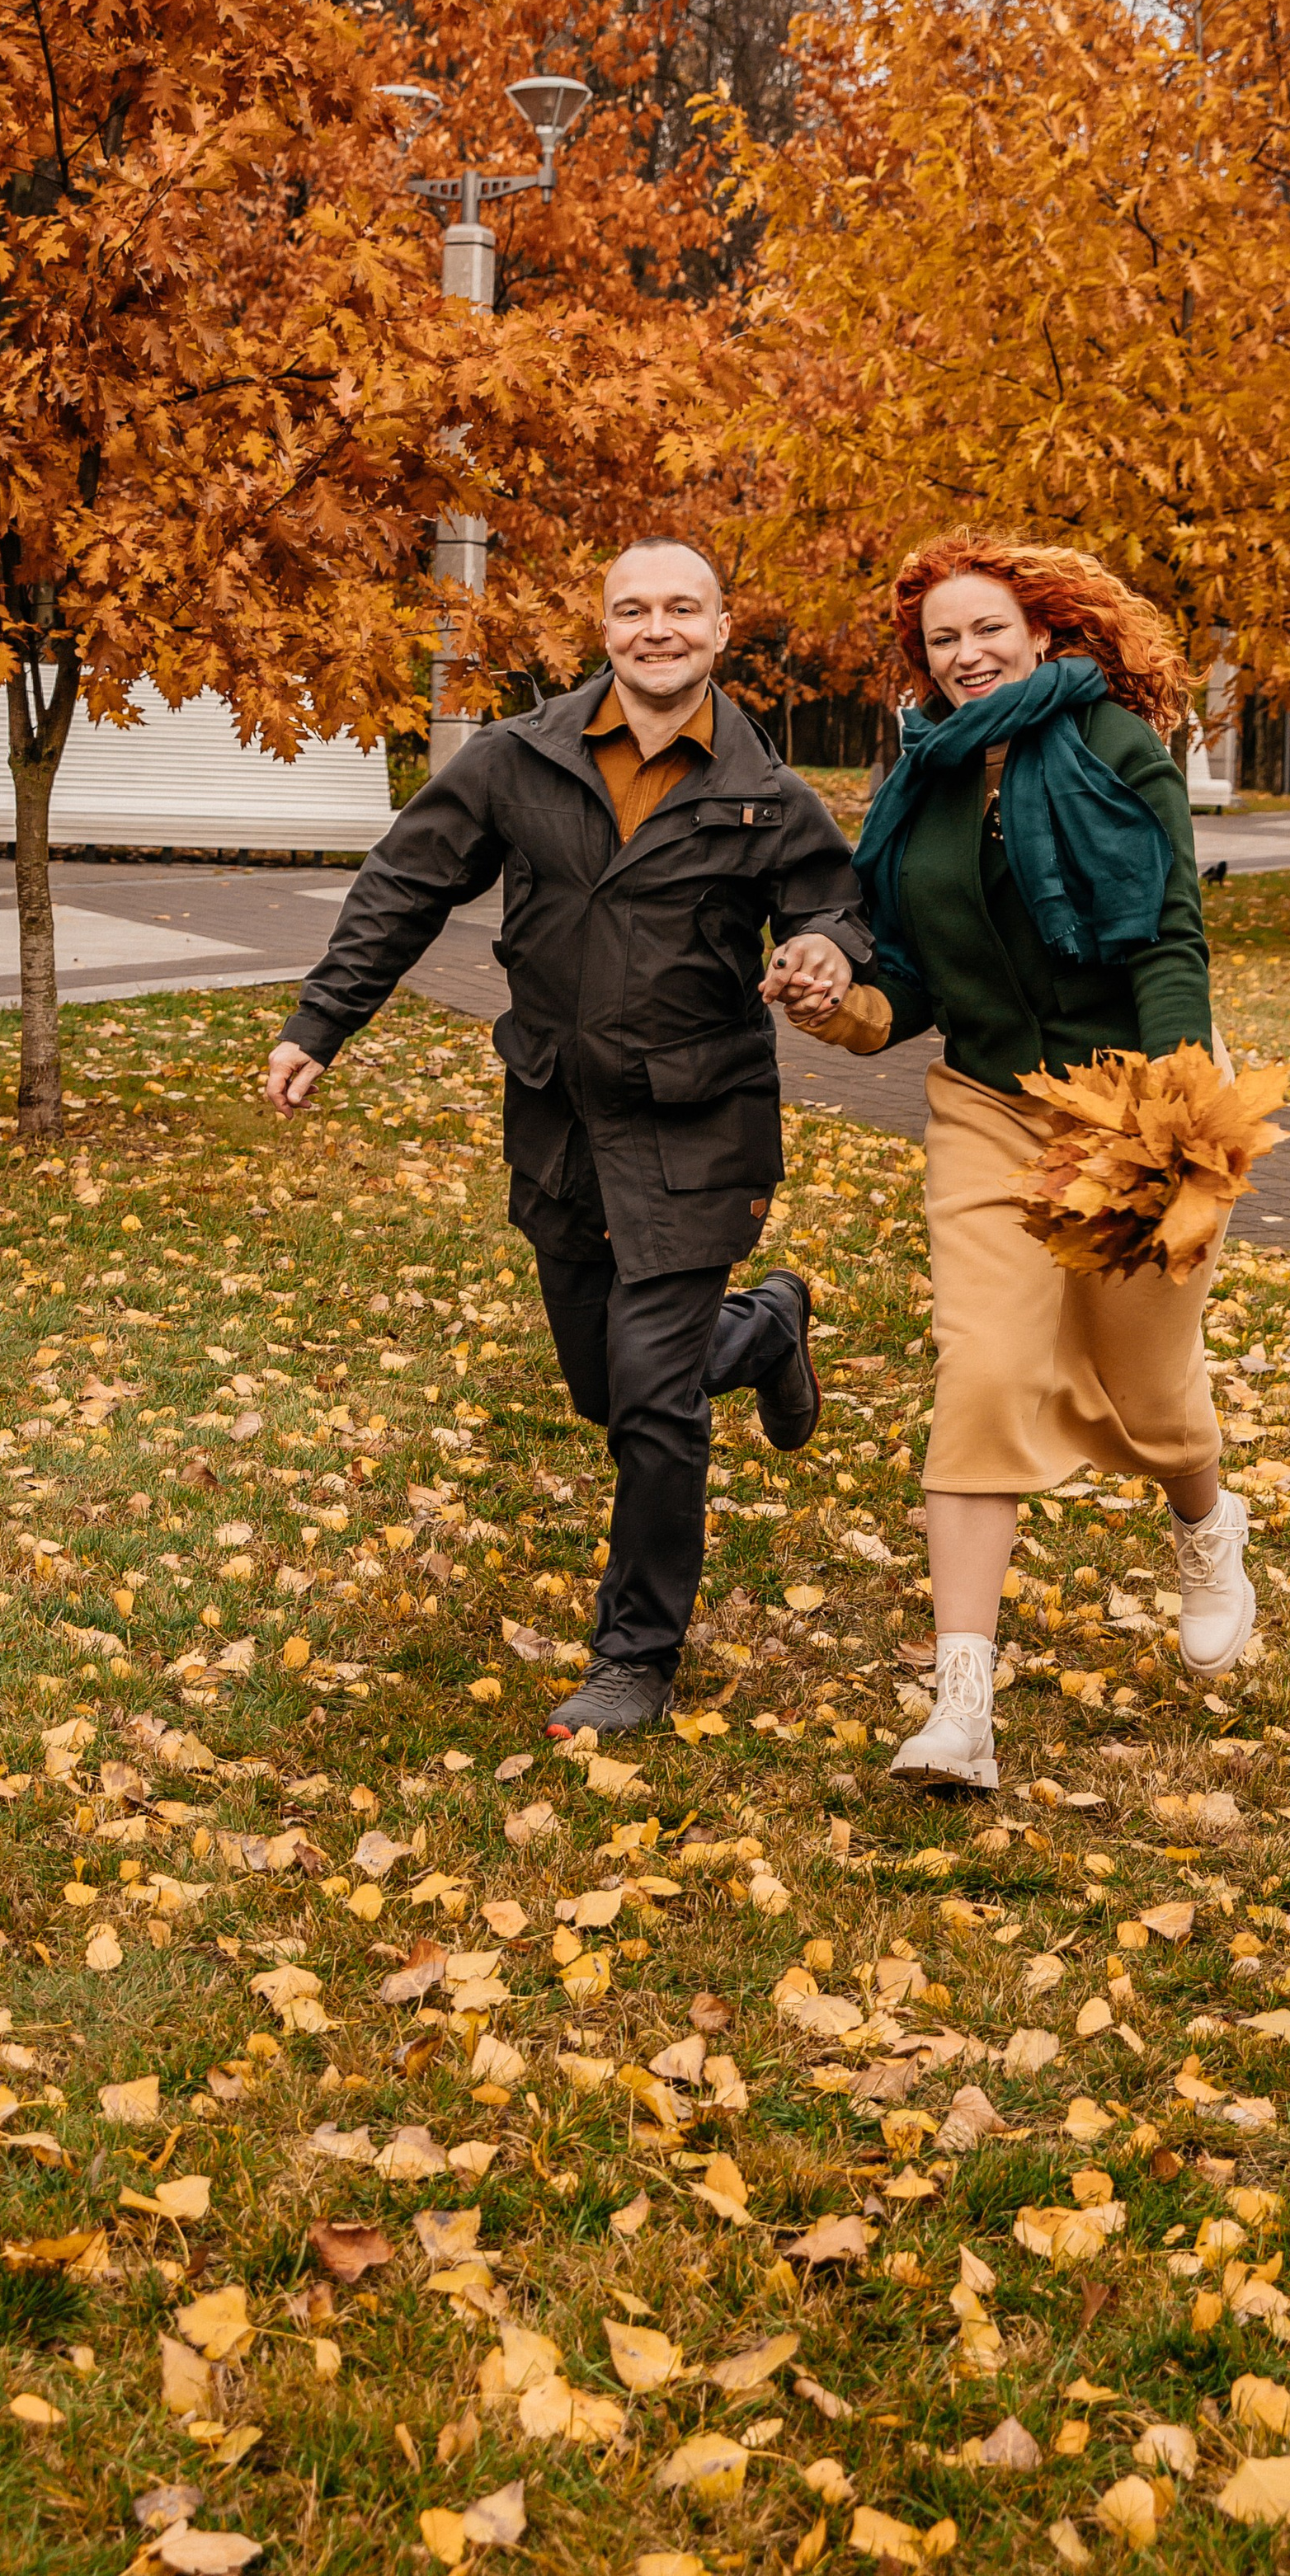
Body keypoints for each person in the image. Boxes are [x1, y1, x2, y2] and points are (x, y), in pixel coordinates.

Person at [265, 538, 873, 1735]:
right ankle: (764, 1331)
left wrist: (825, 951)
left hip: (698, 1129)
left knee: (652, 1403)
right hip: (559, 1125)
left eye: (682, 609)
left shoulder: (767, 793)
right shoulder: (518, 759)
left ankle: (634, 1658)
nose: (658, 628)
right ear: (603, 630)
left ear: (720, 627)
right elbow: (404, 884)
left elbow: (836, 903)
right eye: (633, 609)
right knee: (610, 1392)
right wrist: (322, 1023)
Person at [779, 529, 1251, 1790]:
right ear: (924, 666)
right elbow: (908, 981)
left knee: (1148, 1387)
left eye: (988, 629)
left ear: (1042, 633)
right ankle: (963, 1703)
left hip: (1137, 1097)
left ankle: (1206, 1526)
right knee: (985, 1370)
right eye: (942, 641)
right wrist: (838, 999)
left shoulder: (1114, 748)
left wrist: (1170, 1124)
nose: (967, 653)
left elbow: (1165, 942)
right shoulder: (921, 781)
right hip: (988, 1103)